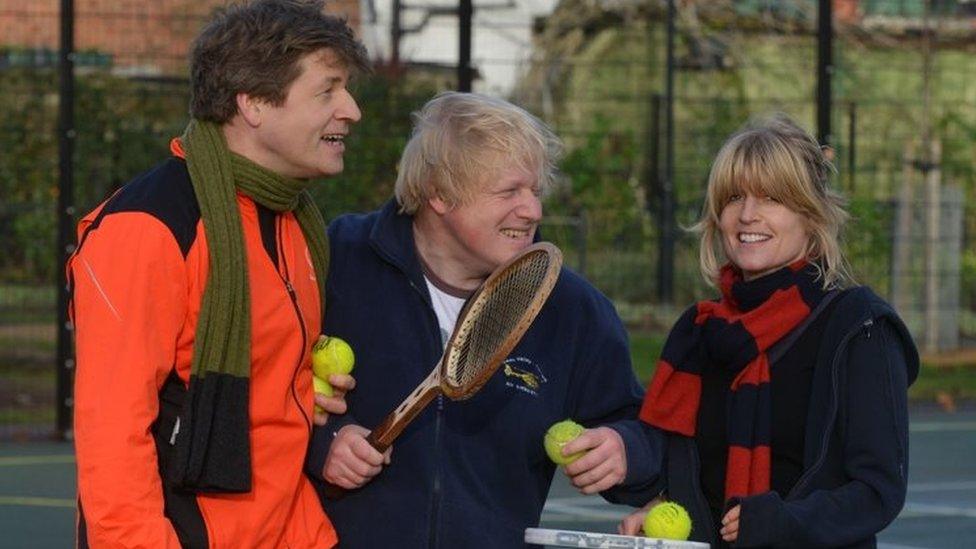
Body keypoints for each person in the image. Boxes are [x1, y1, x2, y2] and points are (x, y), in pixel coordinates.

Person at [68, 1, 369, 547]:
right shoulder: (148, 227)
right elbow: (112, 437)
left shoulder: (295, 219)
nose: (351, 109)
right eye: (327, 91)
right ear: (253, 103)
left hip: (293, 529)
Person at [305, 91, 662, 547]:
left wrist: (623, 448)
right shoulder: (337, 260)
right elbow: (260, 390)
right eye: (509, 191)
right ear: (438, 193)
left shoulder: (574, 309)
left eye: (534, 191)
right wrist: (324, 444)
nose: (531, 209)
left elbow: (639, 427)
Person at [618, 115, 918, 547]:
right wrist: (656, 507)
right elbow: (681, 473)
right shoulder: (698, 332)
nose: (747, 215)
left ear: (811, 216)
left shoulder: (859, 326)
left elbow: (878, 492)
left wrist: (783, 521)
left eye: (772, 198)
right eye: (734, 197)